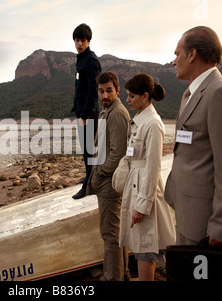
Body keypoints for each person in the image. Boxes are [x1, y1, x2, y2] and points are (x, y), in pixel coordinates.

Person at [164, 26, 222, 247]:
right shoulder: (190, 94)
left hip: (206, 224)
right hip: (189, 214)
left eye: (177, 54)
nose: (174, 61)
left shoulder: (221, 92)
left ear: (192, 54)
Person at [119, 73, 176, 281]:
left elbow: (153, 167)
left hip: (144, 188)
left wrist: (142, 205)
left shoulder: (152, 123)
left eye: (132, 96)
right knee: (140, 244)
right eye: (127, 95)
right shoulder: (140, 120)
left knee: (145, 248)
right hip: (136, 184)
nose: (127, 99)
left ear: (145, 96)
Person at [87, 71, 131, 281]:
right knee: (115, 231)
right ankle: (122, 272)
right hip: (105, 180)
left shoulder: (117, 113)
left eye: (109, 91)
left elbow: (118, 153)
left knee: (109, 233)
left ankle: (113, 277)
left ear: (117, 90)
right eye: (101, 91)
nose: (105, 95)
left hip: (110, 183)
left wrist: (99, 175)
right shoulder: (106, 111)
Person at [71, 23, 102, 199]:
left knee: (90, 149)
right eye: (77, 40)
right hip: (81, 111)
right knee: (86, 149)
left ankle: (89, 186)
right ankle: (88, 177)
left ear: (88, 41)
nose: (79, 43)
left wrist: (84, 114)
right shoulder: (81, 59)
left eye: (83, 40)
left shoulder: (91, 61)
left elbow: (93, 90)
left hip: (88, 113)